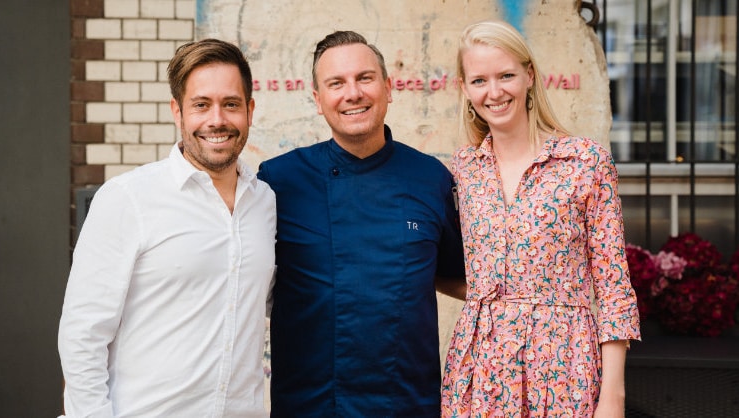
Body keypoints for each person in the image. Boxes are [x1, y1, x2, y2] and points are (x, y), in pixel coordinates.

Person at [58, 39, 276, 417]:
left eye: (231, 104)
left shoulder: (265, 203)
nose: (217, 120)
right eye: (201, 105)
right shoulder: (128, 199)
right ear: (177, 111)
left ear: (250, 110)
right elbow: (83, 336)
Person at [256, 30, 465, 417]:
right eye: (336, 83)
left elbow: (459, 276)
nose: (352, 93)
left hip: (406, 404)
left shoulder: (431, 179)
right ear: (318, 100)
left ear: (388, 88)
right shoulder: (278, 181)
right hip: (311, 405)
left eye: (365, 78)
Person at [440, 20, 640, 417]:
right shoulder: (463, 169)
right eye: (479, 80)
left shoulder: (585, 162)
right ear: (465, 88)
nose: (494, 92)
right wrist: (491, 295)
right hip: (480, 371)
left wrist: (613, 396)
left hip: (565, 367)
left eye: (506, 75)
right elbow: (432, 262)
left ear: (529, 75)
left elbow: (613, 287)